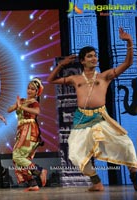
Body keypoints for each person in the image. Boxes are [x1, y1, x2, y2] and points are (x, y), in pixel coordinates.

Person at [47, 27, 137, 191]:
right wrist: (61, 65)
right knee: (75, 154)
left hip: (101, 117)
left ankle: (135, 175)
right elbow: (51, 80)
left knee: (125, 144)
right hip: (81, 119)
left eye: (95, 56)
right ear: (82, 61)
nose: (94, 58)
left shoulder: (105, 76)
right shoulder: (75, 79)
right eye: (90, 56)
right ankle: (96, 182)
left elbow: (128, 63)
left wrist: (129, 42)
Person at [7, 78, 47, 191]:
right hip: (22, 130)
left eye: (32, 89)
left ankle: (40, 171)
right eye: (28, 88)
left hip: (29, 130)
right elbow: (8, 110)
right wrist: (16, 105)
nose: (29, 90)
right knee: (19, 159)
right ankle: (33, 183)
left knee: (17, 156)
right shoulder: (23, 100)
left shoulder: (34, 102)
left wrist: (21, 107)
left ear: (36, 92)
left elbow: (37, 112)